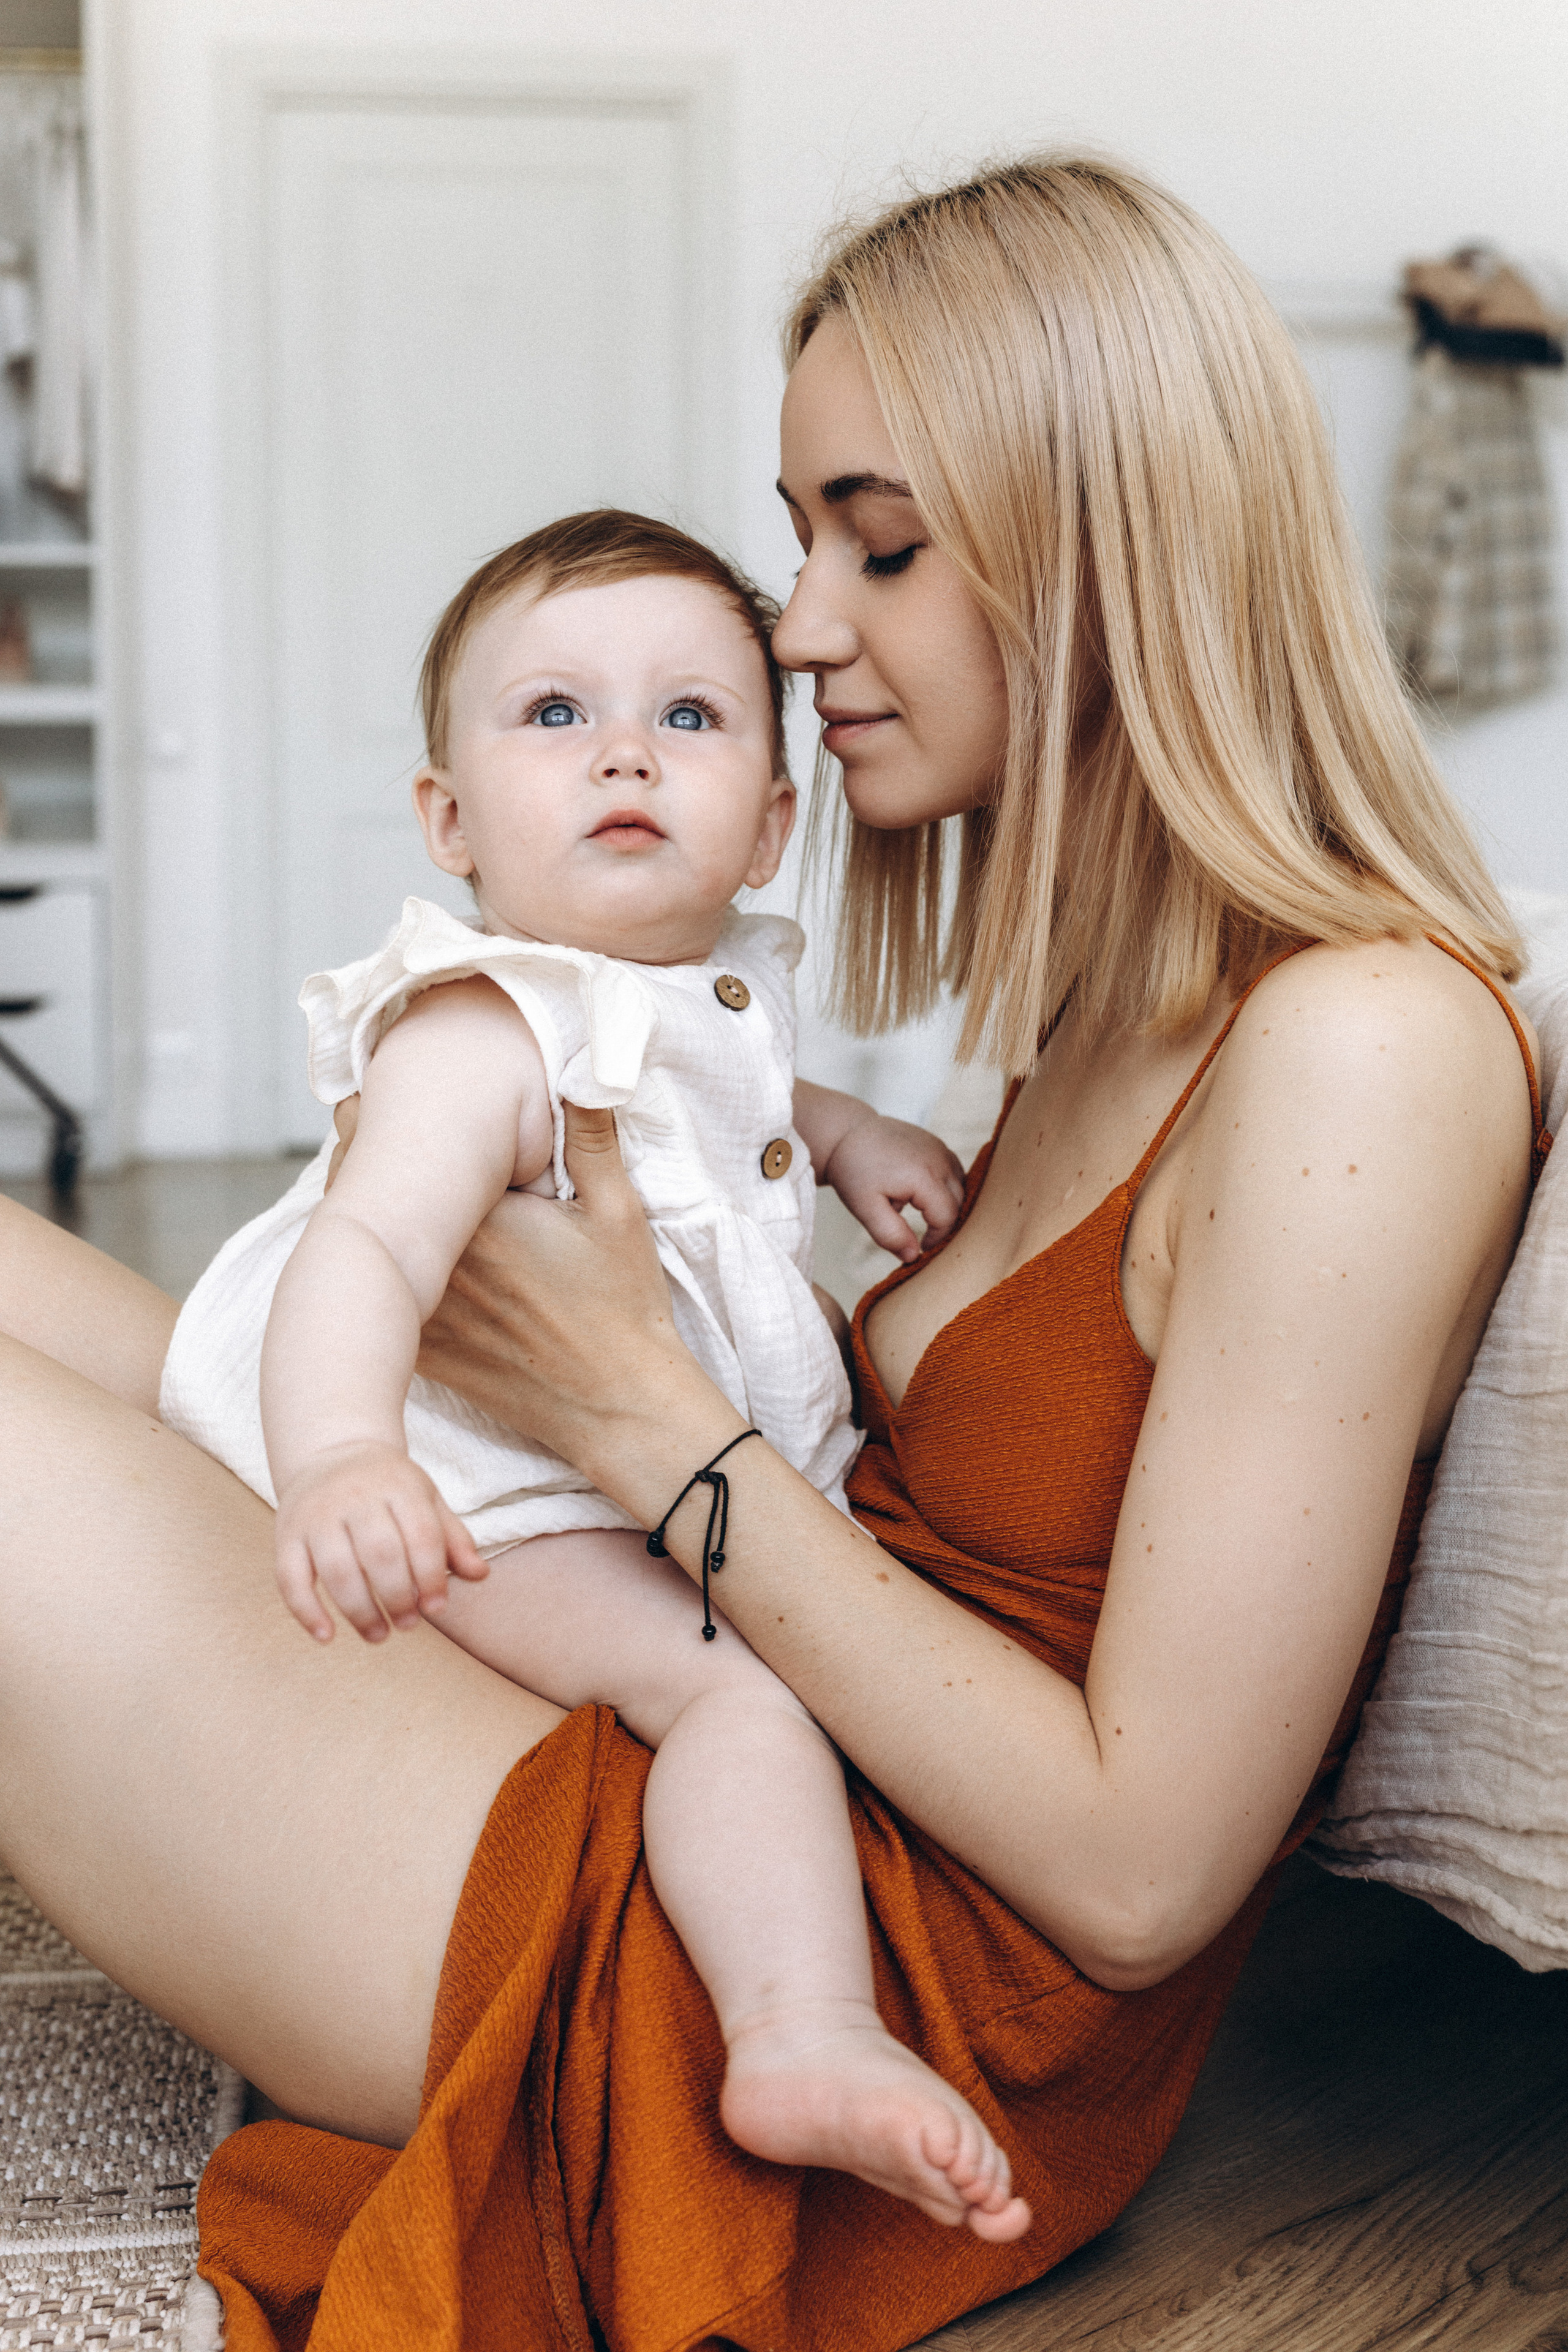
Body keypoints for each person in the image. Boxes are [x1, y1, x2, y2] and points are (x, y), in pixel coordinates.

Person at [0, 154, 1547, 2352]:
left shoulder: (1366, 1050)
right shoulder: (1104, 1012)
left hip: (815, 1947)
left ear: (1113, 544)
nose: (800, 625)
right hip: (725, 1714)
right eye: (808, 538)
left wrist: (643, 1415)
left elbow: (1136, 1877)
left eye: (879, 544)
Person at [159, 505, 1029, 2241]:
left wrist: (850, 1140)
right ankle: (799, 2029)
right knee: (741, 1696)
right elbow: (372, 1250)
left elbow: (750, 1098)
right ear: (449, 819)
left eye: (691, 718)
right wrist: (341, 1459)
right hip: (501, 1494)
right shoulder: (485, 1026)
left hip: (617, 1461)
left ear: (772, 826)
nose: (625, 749)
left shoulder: (714, 989)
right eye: (555, 715)